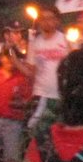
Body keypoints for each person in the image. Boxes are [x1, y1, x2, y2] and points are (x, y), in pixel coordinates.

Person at [25, 9, 69, 137]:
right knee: (36, 135)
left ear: (57, 21)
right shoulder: (35, 42)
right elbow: (30, 71)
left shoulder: (65, 40)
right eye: (43, 18)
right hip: (41, 94)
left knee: (59, 136)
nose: (46, 22)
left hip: (61, 96)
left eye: (50, 18)